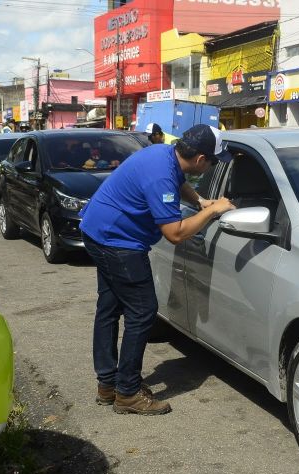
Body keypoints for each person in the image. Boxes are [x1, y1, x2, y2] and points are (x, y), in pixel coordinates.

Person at [79, 124, 235, 415]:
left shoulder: (164, 154)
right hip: (117, 241)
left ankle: (108, 384)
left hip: (98, 229)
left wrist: (200, 200)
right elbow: (175, 233)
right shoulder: (161, 175)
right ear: (201, 159)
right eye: (214, 161)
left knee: (110, 308)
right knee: (142, 311)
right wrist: (212, 211)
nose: (213, 165)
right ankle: (127, 392)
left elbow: (179, 181)